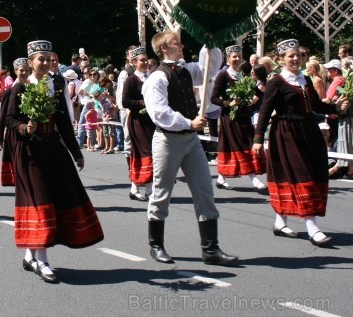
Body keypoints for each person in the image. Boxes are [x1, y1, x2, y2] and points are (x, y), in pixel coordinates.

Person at [4, 40, 103, 284]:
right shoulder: (20, 88)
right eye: (41, 59)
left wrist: (75, 152)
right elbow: (8, 119)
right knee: (41, 201)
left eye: (49, 59)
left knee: (58, 197)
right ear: (30, 62)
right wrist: (24, 127)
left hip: (51, 149)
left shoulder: (56, 86)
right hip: (29, 152)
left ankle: (30, 255)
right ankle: (43, 260)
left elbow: (63, 124)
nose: (46, 63)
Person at [142, 31, 237, 265]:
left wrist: (211, 43)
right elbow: (159, 112)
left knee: (204, 191)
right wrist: (188, 122)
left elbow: (209, 69)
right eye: (177, 43)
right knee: (161, 192)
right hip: (167, 140)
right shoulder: (157, 78)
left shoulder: (185, 70)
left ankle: (211, 249)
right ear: (164, 48)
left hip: (190, 140)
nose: (182, 45)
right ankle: (156, 245)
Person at [252, 39, 347, 247]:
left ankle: (280, 222)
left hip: (308, 132)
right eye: (290, 56)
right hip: (286, 134)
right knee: (302, 175)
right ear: (281, 59)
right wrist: (258, 139)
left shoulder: (305, 79)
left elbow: (317, 106)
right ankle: (312, 227)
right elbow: (265, 110)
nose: (295, 59)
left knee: (307, 173)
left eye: (298, 55)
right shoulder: (276, 82)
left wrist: (338, 109)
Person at [210, 45, 267, 193]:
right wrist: (229, 103)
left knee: (235, 145)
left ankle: (221, 178)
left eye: (239, 57)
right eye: (234, 56)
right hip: (230, 117)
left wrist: (261, 92)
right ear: (228, 59)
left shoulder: (243, 76)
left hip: (243, 115)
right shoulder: (223, 75)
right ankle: (254, 179)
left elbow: (254, 93)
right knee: (240, 145)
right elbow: (214, 98)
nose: (237, 59)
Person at [122, 47, 155, 202]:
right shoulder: (131, 80)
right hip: (138, 122)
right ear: (134, 62)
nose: (145, 62)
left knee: (152, 153)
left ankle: (148, 190)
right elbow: (125, 101)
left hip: (151, 121)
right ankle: (136, 188)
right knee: (144, 153)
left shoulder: (151, 78)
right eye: (142, 60)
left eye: (146, 59)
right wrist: (143, 103)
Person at [0, 57, 30, 187]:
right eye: (22, 70)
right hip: (14, 132)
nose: (24, 73)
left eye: (27, 70)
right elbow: (4, 115)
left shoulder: (32, 88)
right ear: (16, 71)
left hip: (29, 130)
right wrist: (0, 136)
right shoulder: (9, 91)